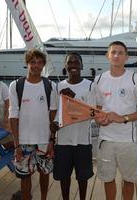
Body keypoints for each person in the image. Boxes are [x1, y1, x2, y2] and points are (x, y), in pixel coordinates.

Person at [93, 41, 137, 200]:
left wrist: (122, 118)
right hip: (105, 140)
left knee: (129, 179)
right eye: (113, 52)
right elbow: (96, 110)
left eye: (120, 53)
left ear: (126, 57)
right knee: (108, 179)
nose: (116, 55)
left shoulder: (134, 79)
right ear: (107, 56)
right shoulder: (99, 79)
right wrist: (100, 120)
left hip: (128, 140)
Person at [9, 49, 57, 200]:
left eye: (39, 62)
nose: (36, 66)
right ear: (27, 63)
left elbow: (53, 115)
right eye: (33, 62)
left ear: (43, 65)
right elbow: (13, 116)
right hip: (23, 141)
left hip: (44, 139)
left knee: (44, 173)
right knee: (25, 176)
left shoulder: (50, 85)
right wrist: (16, 144)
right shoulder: (15, 85)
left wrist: (52, 140)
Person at [52, 53, 94, 200]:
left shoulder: (90, 85)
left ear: (82, 66)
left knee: (82, 178)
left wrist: (73, 97)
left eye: (77, 62)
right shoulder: (58, 86)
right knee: (64, 177)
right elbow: (56, 113)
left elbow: (93, 113)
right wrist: (54, 127)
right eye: (70, 62)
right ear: (65, 66)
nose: (73, 65)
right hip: (63, 141)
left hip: (83, 140)